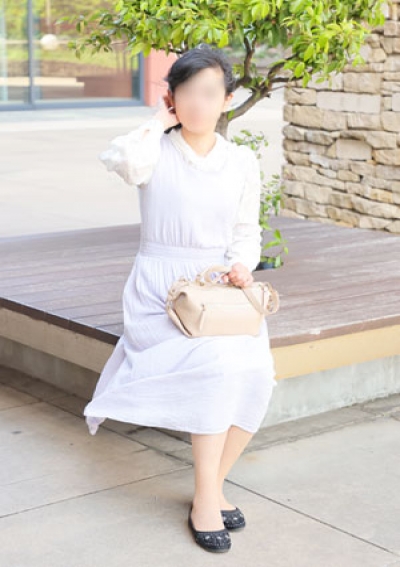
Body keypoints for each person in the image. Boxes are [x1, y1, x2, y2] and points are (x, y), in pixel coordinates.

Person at [83, 44, 277, 553]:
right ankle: (207, 501)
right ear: (172, 98)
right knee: (216, 367)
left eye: (209, 93)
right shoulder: (154, 150)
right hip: (160, 293)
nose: (198, 103)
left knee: (257, 371)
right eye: (186, 92)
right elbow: (119, 159)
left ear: (227, 99)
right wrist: (158, 121)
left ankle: (210, 489)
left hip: (219, 293)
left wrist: (242, 265)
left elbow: (246, 231)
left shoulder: (240, 161)